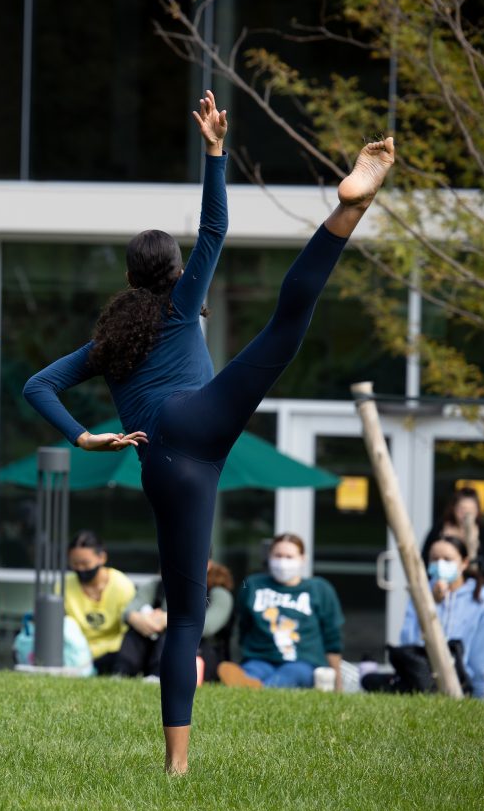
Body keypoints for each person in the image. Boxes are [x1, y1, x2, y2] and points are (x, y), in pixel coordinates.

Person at [23, 89, 395, 773]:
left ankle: (177, 765)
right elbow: (216, 230)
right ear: (170, 274)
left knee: (186, 612)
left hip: (161, 457)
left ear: (129, 276)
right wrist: (216, 153)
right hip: (205, 413)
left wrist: (84, 439)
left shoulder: (105, 342)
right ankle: (348, 209)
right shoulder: (179, 304)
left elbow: (35, 385)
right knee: (283, 332)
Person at [364, 535, 484, 698]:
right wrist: (433, 604)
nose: (440, 564)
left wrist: (477, 694)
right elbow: (409, 639)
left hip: (462, 681)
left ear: (464, 562)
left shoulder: (482, 600)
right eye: (435, 559)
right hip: (422, 675)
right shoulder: (421, 592)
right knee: (371, 681)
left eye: (447, 559)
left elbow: (479, 658)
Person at [220, 533, 345, 690]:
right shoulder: (252, 584)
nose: (282, 562)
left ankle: (258, 689)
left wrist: (337, 681)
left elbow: (332, 637)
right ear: (269, 557)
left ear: (302, 558)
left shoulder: (319, 588)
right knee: (251, 672)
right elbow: (242, 626)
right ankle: (251, 684)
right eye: (278, 555)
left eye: (289, 556)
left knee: (290, 675)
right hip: (259, 658)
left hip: (303, 661)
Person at [115, 559, 235, 681]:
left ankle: (160, 677)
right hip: (154, 646)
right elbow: (129, 611)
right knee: (135, 632)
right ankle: (122, 674)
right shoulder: (156, 586)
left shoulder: (218, 594)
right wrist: (141, 619)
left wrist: (166, 619)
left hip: (199, 654)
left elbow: (207, 626)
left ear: (206, 565)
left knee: (174, 632)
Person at [61, 531, 137, 676]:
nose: (80, 569)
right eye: (75, 564)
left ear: (102, 558)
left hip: (113, 654)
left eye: (85, 563)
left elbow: (128, 633)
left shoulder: (122, 586)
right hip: (74, 654)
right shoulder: (63, 586)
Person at [423, 488, 484, 569]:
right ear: (454, 509)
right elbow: (426, 556)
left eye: (471, 510)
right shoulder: (441, 529)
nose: (466, 514)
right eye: (462, 509)